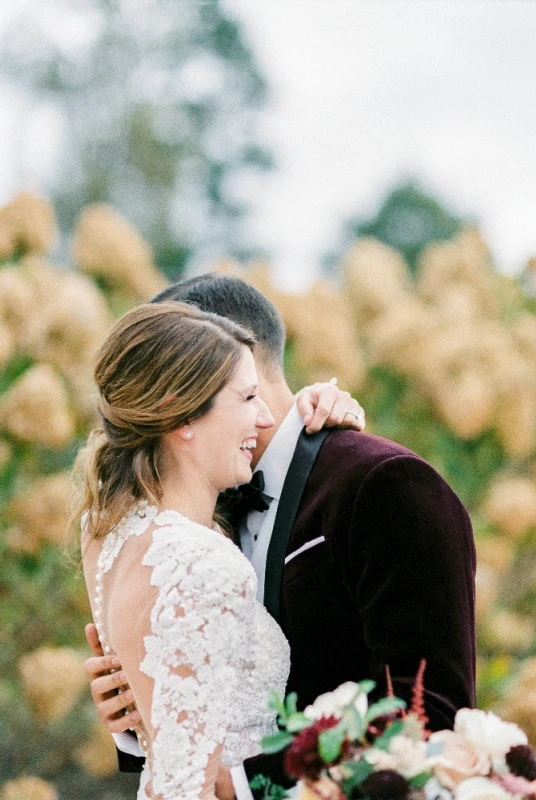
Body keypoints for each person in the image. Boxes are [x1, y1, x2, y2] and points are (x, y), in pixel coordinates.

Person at [85, 275, 476, 800]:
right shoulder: (190, 504)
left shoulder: (383, 486)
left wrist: (246, 783)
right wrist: (134, 710)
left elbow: (430, 709)